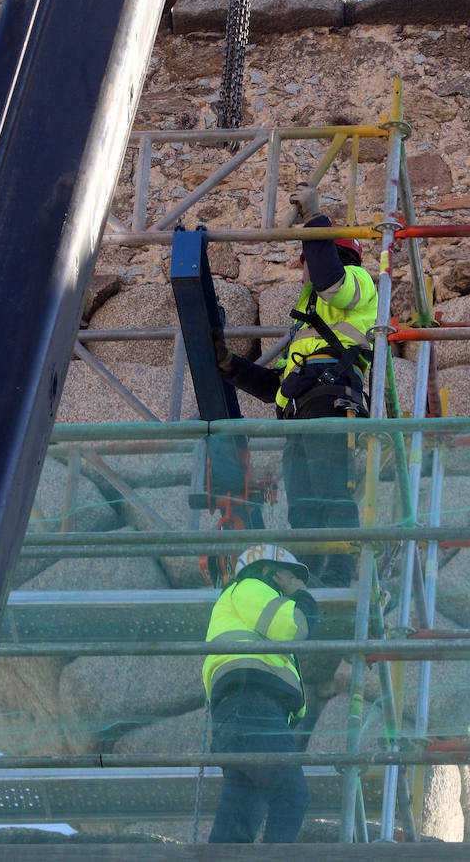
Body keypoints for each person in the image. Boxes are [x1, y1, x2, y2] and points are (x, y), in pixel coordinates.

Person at [213, 184, 379, 587]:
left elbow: (330, 282)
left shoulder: (357, 282)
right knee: (302, 507)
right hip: (301, 413)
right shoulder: (309, 314)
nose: (301, 268)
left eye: (306, 257)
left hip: (330, 405)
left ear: (329, 253)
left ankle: (338, 577)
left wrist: (314, 220)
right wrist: (231, 365)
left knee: (330, 494)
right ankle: (308, 575)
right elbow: (279, 384)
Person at [203, 543, 318, 844]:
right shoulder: (251, 587)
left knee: (234, 830)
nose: (295, 583)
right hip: (254, 709)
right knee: (292, 794)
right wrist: (303, 596)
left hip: (240, 712)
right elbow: (294, 628)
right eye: (291, 575)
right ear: (271, 572)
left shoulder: (244, 604)